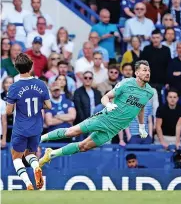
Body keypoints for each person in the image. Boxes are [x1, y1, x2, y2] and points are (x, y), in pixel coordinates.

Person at [39, 60, 154, 168]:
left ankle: (51, 154)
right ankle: (39, 138)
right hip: (104, 118)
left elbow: (141, 107)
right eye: (144, 70)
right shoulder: (126, 83)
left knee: (83, 147)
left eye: (148, 70)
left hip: (113, 130)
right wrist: (108, 105)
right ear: (137, 72)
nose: (147, 73)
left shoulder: (149, 92)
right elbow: (105, 97)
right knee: (71, 132)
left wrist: (142, 126)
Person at [6, 53, 51, 190]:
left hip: (21, 128)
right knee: (30, 154)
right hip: (36, 127)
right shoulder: (41, 84)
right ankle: (36, 167)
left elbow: (8, 111)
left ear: (16, 68)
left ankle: (28, 183)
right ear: (31, 66)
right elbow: (48, 106)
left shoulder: (14, 87)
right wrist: (38, 105)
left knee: (16, 157)